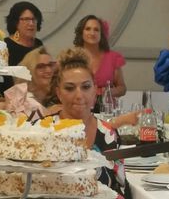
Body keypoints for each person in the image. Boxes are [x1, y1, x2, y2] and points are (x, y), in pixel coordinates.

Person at [51, 47, 132, 199]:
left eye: (86, 87)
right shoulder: (40, 131)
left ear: (95, 90)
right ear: (58, 93)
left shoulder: (108, 134)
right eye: (69, 88)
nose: (79, 95)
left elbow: (120, 187)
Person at [73, 15, 127, 105]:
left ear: (101, 34)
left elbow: (122, 88)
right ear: (81, 33)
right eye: (88, 29)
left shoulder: (113, 58)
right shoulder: (72, 57)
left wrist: (108, 92)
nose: (92, 33)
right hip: (79, 107)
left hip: (107, 110)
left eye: (96, 30)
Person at [0, 1, 44, 95]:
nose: (31, 23)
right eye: (26, 19)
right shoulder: (5, 45)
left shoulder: (39, 44)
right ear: (16, 22)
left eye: (34, 19)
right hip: (7, 97)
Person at [2, 46, 59, 116]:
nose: (48, 70)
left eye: (50, 65)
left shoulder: (56, 95)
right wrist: (47, 113)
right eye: (41, 66)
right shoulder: (19, 99)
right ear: (29, 71)